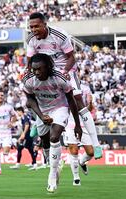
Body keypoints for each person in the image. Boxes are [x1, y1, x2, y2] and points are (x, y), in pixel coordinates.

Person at [26, 12, 102, 159]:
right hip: (46, 70)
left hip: (65, 68)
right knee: (31, 95)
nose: (34, 30)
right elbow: (30, 61)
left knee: (78, 100)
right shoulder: (31, 39)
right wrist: (27, 74)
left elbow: (71, 57)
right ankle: (37, 121)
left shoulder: (60, 35)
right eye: (31, 27)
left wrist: (66, 72)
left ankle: (96, 144)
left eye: (36, 26)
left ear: (44, 24)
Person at [23, 53, 82, 193]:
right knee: (45, 142)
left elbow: (72, 101)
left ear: (48, 67)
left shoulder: (60, 78)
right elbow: (30, 101)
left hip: (60, 108)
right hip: (42, 110)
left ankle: (52, 175)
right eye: (34, 69)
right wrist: (42, 116)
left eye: (40, 69)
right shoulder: (29, 80)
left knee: (54, 137)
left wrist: (78, 125)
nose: (37, 72)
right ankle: (54, 164)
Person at [62, 82, 95, 186]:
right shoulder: (62, 86)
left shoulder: (85, 88)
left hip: (83, 124)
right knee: (74, 150)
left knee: (91, 152)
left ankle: (82, 162)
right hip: (69, 124)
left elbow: (88, 110)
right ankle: (76, 178)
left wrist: (90, 104)